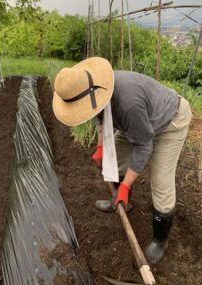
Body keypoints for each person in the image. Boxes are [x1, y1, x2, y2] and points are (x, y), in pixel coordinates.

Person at [52, 57, 191, 264]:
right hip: (139, 121)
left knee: (161, 180)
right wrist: (101, 147)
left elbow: (144, 146)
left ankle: (160, 241)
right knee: (114, 155)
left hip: (169, 122)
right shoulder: (97, 93)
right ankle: (123, 203)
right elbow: (101, 116)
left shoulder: (128, 104)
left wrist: (126, 186)